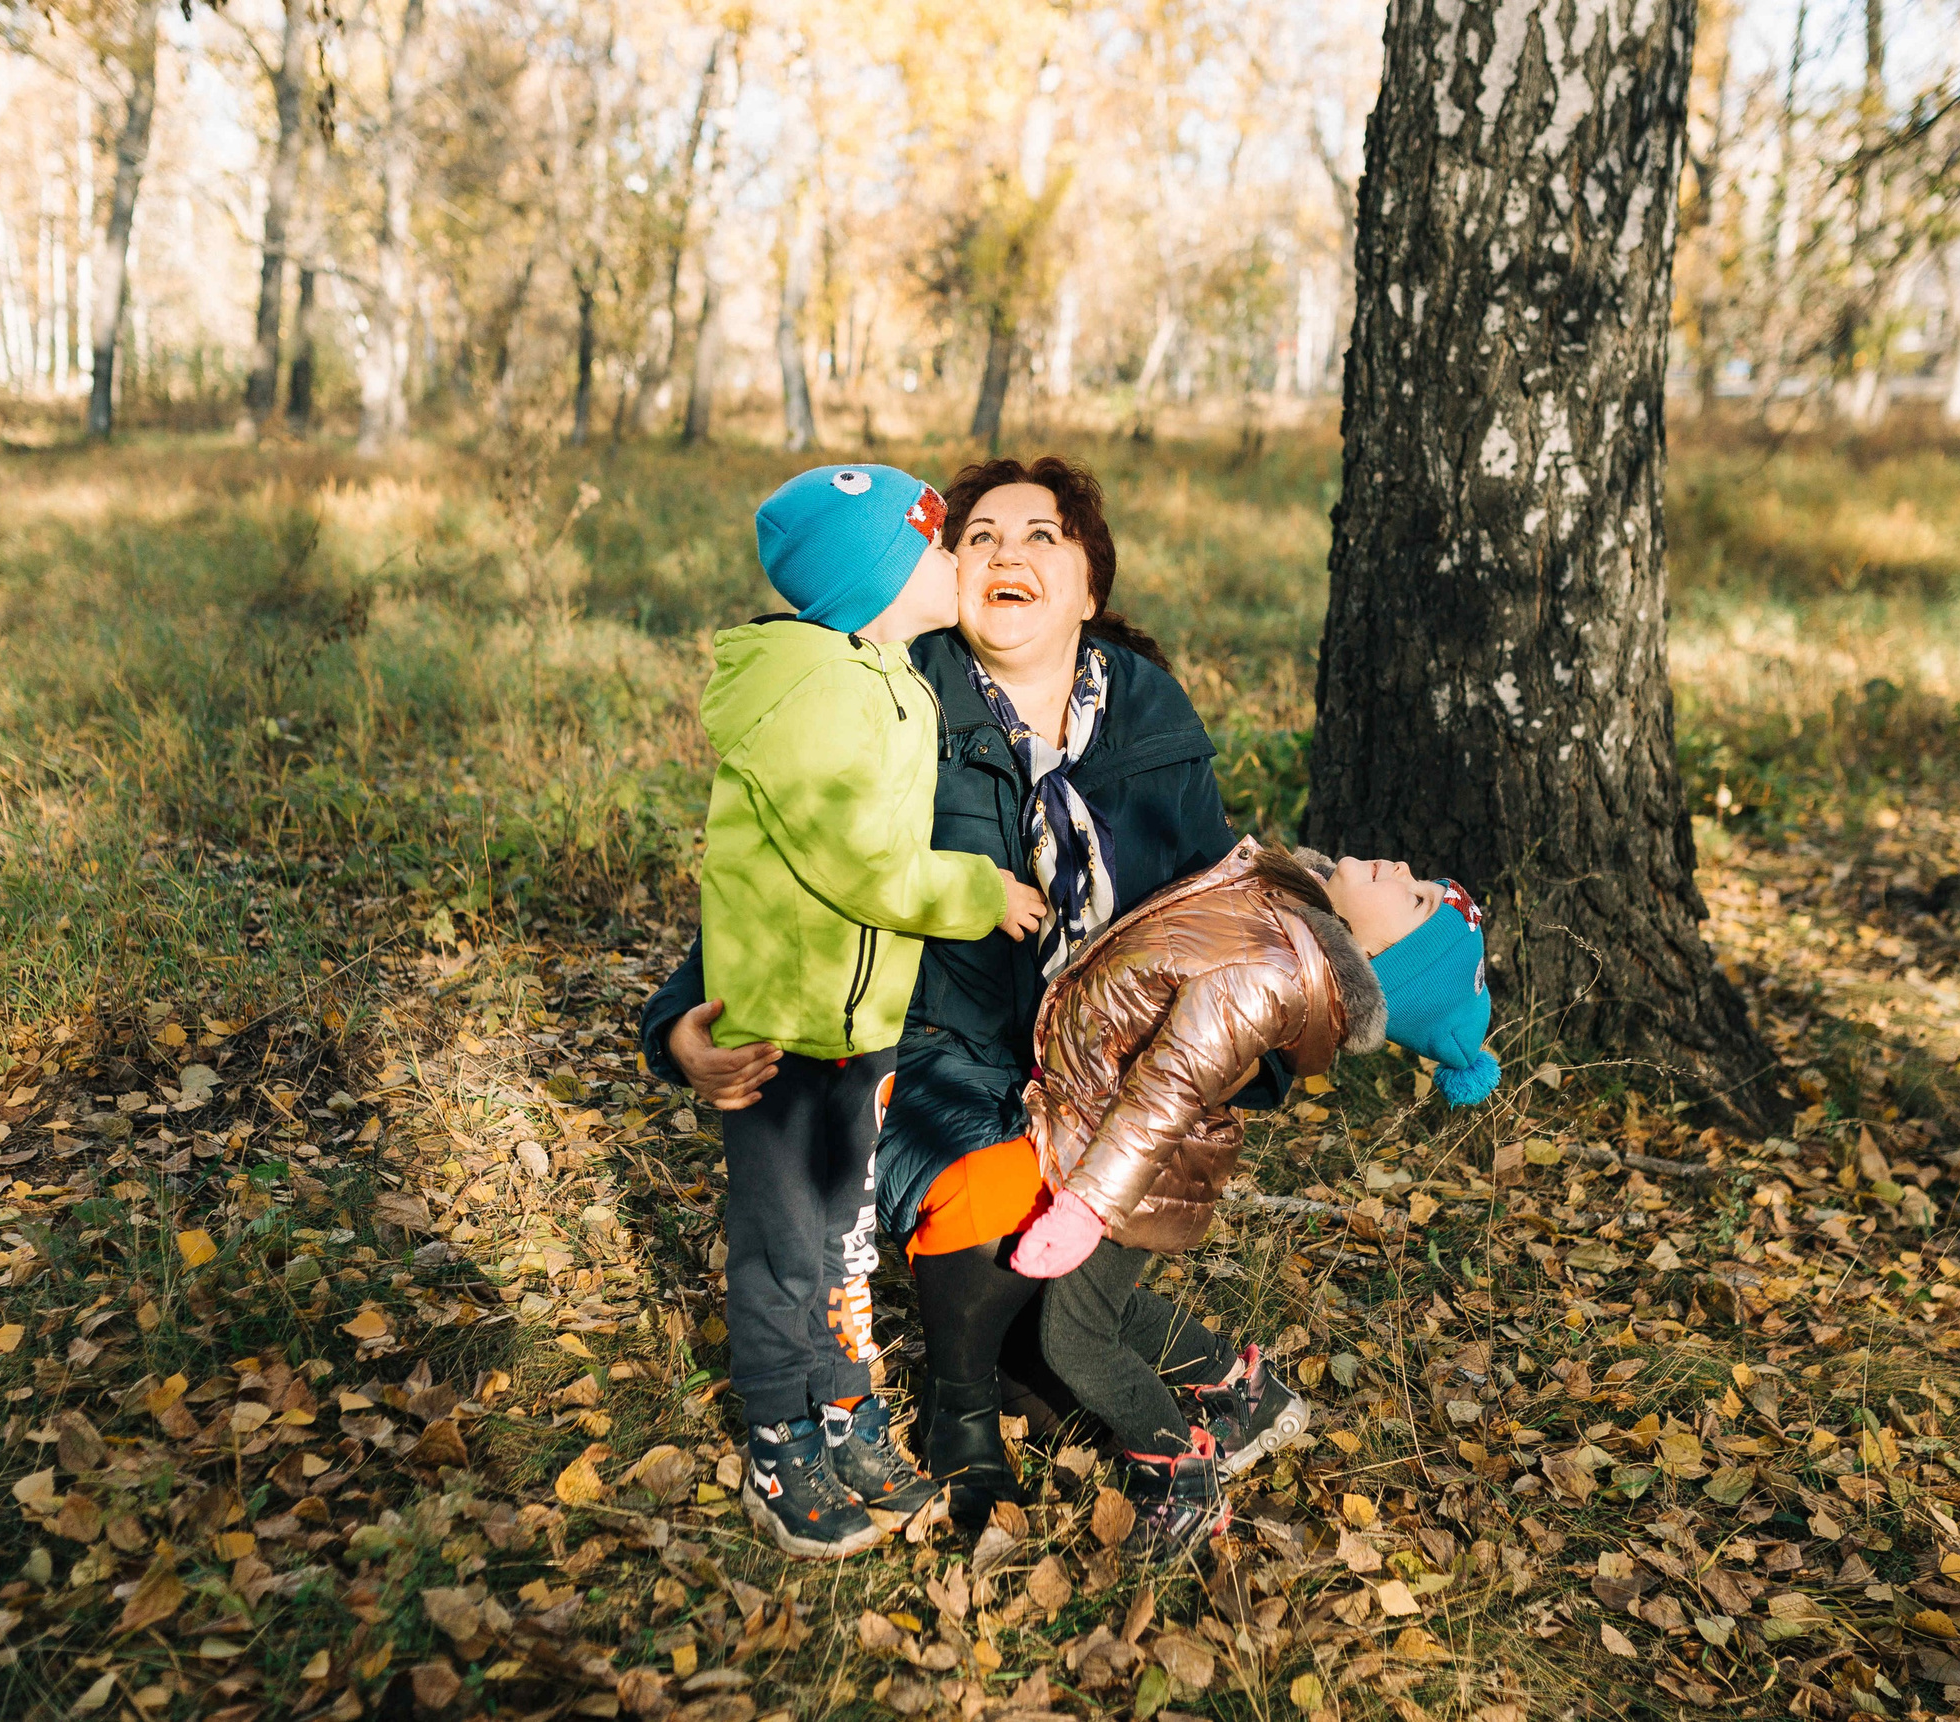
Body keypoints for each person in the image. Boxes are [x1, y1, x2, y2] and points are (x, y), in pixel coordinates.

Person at [642, 456, 1280, 1524]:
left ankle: (1179, 1361)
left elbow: (1209, 916)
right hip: (932, 1048)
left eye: (1042, 536)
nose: (1004, 554)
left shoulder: (1150, 718)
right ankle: (958, 1405)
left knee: (1060, 1314)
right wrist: (677, 1026)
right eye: (977, 536)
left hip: (1107, 1066)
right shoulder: (884, 691)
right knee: (989, 1181)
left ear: (1088, 585)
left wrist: (1225, 1069)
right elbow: (791, 881)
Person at [699, 461, 1049, 1560]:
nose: (959, 563)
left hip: (857, 1023)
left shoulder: (884, 673)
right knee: (783, 1246)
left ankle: (841, 1412)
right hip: (780, 1032)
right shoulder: (817, 691)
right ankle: (779, 1440)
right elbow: (861, 863)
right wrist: (974, 891)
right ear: (880, 578)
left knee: (844, 1240)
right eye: (937, 547)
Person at [1006, 840, 1499, 1561]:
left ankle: (1179, 1468)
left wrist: (1088, 1206)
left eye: (1416, 898)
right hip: (1110, 1132)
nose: (1402, 870)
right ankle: (1241, 1392)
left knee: (1071, 1338)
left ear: (1383, 961)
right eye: (1423, 879)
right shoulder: (1295, 911)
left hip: (1134, 1159)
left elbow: (1171, 1082)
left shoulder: (1276, 972)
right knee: (1097, 1309)